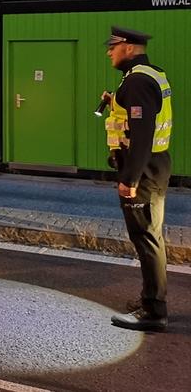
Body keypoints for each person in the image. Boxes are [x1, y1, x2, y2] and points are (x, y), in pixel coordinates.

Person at [101, 26, 173, 332]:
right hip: (154, 165)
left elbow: (142, 133)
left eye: (113, 46)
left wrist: (129, 178)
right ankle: (150, 299)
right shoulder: (149, 75)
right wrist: (114, 99)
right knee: (150, 236)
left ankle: (154, 311)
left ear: (129, 47)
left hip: (142, 171)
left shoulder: (138, 81)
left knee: (146, 238)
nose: (109, 51)